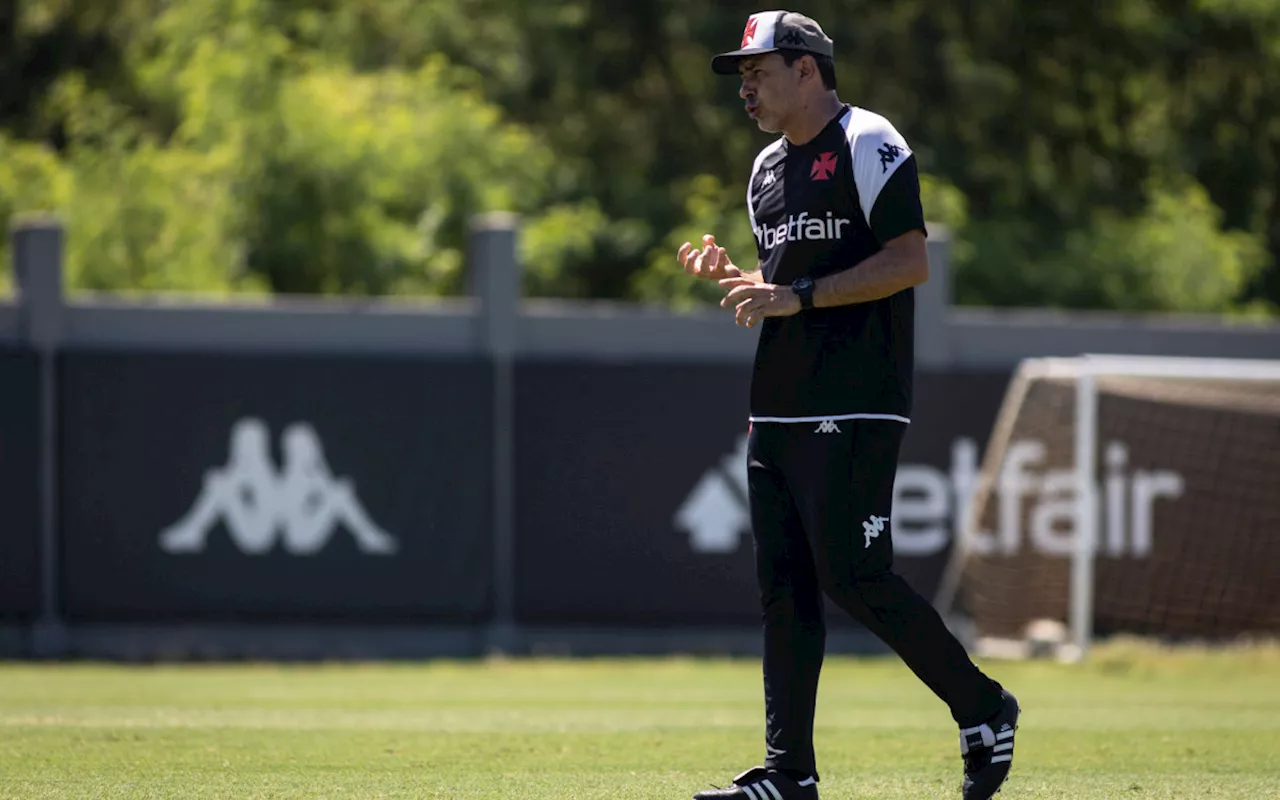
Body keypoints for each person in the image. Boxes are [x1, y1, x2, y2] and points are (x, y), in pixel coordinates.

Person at [675, 11, 1020, 800]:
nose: (746, 87)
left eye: (758, 71)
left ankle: (984, 706)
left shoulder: (869, 140)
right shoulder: (764, 168)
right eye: (742, 76)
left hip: (858, 398)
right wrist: (741, 279)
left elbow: (908, 262)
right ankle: (788, 774)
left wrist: (796, 295)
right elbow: (785, 284)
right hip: (778, 402)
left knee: (855, 574)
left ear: (808, 69)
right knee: (785, 587)